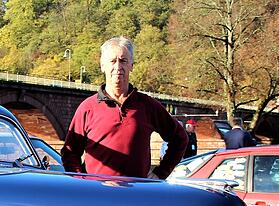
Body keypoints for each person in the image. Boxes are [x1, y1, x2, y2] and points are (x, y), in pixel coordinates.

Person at [61, 36, 188, 178]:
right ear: (102, 66)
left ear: (131, 65)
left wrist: (161, 172)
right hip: (96, 195)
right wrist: (81, 182)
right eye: (112, 61)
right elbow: (70, 152)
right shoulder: (87, 108)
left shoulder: (147, 106)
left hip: (136, 194)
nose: (118, 67)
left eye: (123, 61)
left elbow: (180, 138)